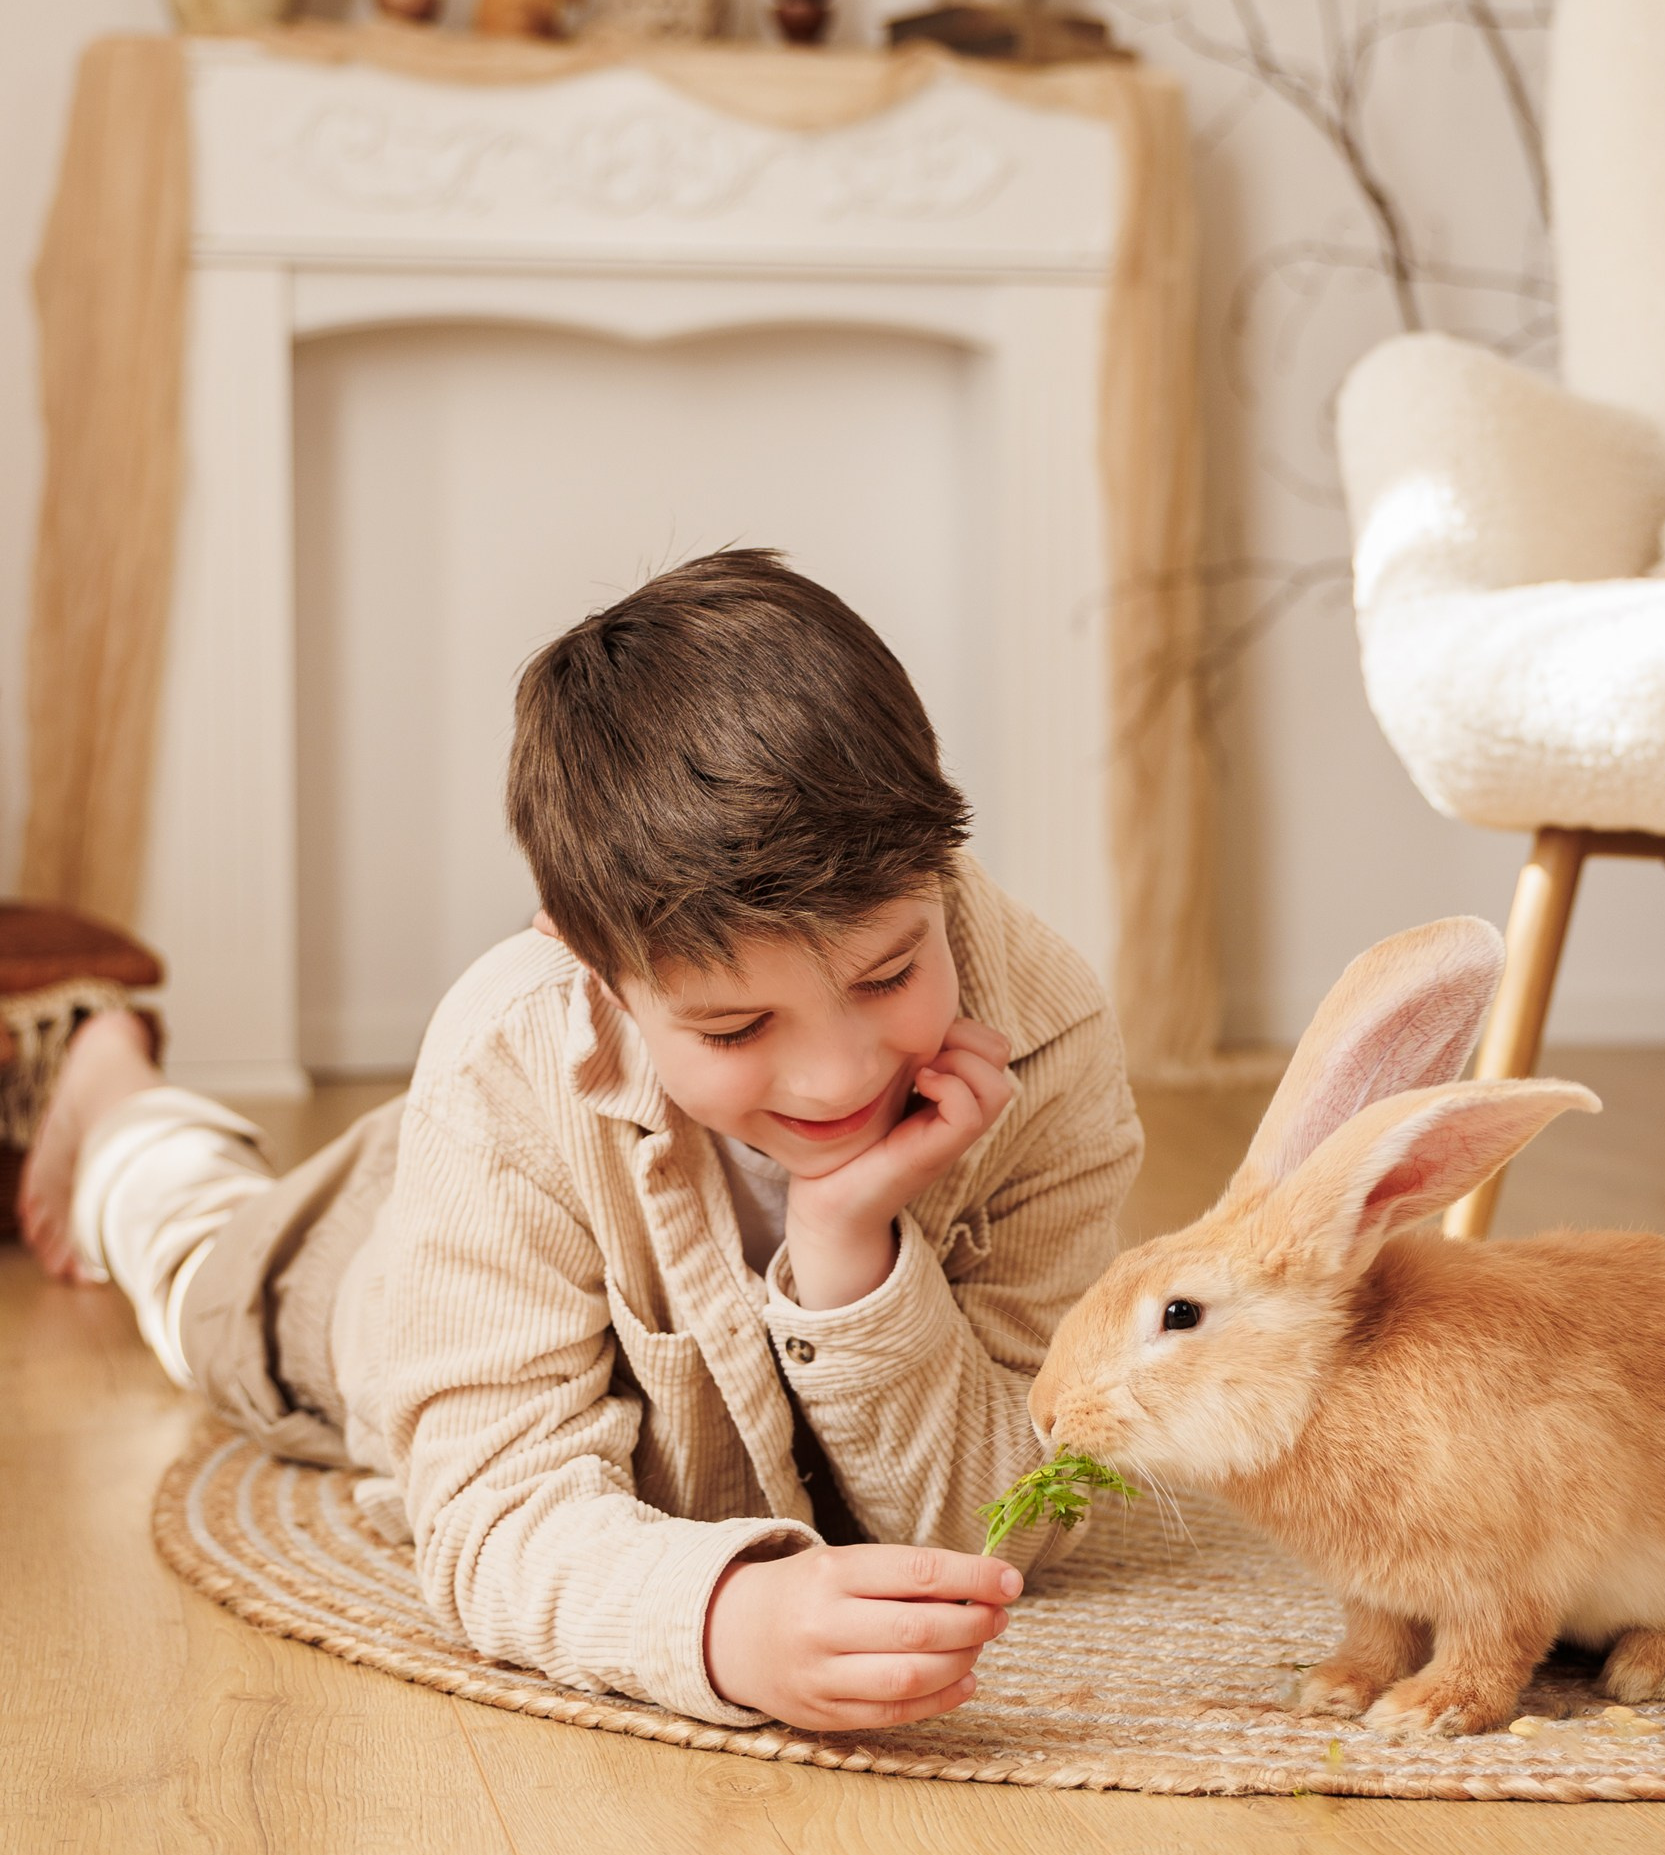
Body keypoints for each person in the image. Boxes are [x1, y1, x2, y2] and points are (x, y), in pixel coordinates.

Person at [20, 551, 1142, 1736]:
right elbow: (493, 1512)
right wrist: (718, 1623)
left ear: (938, 854)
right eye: (733, 1024)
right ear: (580, 956)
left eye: (888, 974)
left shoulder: (1044, 1030)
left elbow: (1022, 1504)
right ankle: (110, 1095)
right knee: (192, 1250)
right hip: (408, 1233)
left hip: (517, 1149)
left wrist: (848, 1252)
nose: (840, 1073)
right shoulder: (509, 1051)